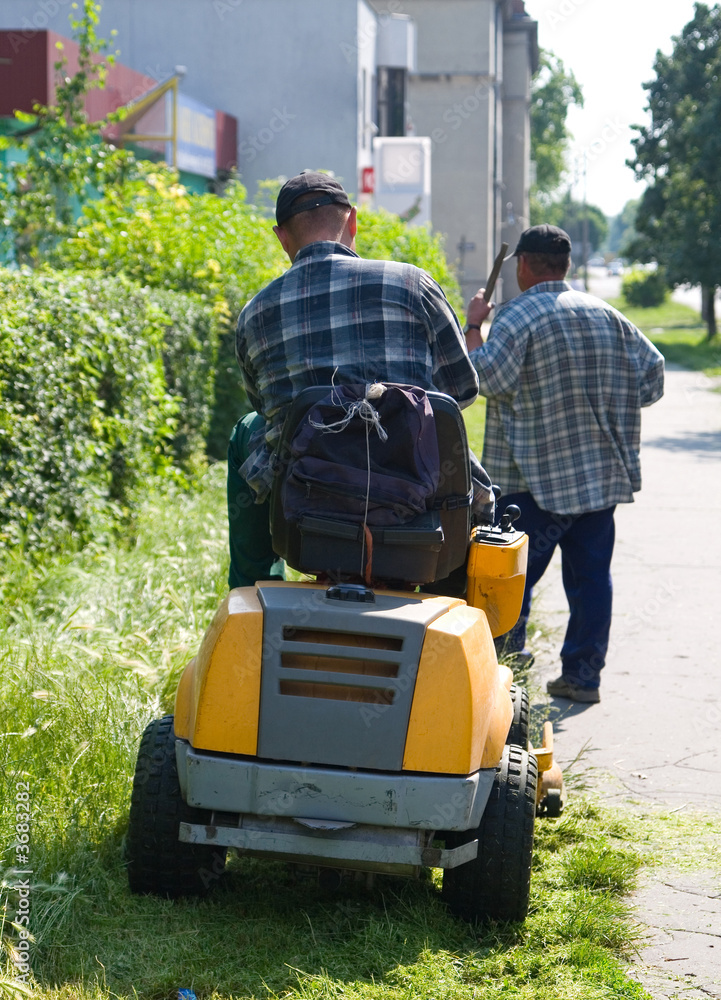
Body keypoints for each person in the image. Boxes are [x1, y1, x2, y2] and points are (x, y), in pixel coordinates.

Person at [227, 170, 494, 589]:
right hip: (422, 503)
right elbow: (461, 391)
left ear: (282, 238)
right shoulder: (413, 283)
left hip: (308, 511)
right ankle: (451, 591)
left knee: (248, 430)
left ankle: (253, 585)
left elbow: (266, 409)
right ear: (352, 221)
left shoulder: (255, 314)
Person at [464, 224, 665, 704]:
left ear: (525, 265)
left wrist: (474, 326)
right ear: (567, 265)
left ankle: (506, 677)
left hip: (529, 482)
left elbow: (482, 379)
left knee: (512, 582)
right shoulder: (609, 315)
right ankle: (582, 677)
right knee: (592, 579)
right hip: (597, 480)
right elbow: (653, 378)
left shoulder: (516, 316)